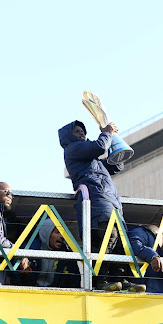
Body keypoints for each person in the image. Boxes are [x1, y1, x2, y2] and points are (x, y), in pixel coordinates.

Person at [59, 120, 144, 292]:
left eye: (82, 131)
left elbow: (115, 165)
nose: (81, 133)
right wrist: (107, 133)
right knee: (109, 236)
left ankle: (122, 279)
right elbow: (99, 147)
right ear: (69, 136)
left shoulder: (92, 161)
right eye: (77, 131)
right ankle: (102, 279)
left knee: (120, 241)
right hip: (98, 202)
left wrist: (114, 140)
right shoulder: (72, 149)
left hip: (110, 202)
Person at [21, 219, 80, 289]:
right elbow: (16, 278)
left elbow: (75, 282)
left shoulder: (68, 256)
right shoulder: (27, 251)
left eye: (63, 233)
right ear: (46, 233)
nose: (62, 236)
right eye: (57, 232)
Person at [128, 224, 163, 294]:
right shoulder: (140, 232)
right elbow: (135, 245)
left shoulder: (159, 253)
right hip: (142, 293)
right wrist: (152, 256)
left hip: (155, 295)